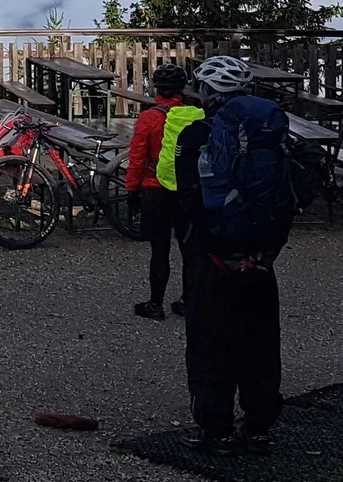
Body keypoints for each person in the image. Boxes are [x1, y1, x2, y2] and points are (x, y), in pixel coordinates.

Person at [172, 55, 296, 456]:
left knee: (210, 341)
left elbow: (188, 200)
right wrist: (267, 250)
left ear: (208, 92)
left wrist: (208, 247)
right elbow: (287, 196)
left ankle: (217, 429)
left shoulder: (195, 134)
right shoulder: (272, 134)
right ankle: (258, 426)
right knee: (259, 341)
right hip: (261, 257)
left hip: (213, 258)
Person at [123, 62, 201, 321]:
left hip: (155, 189)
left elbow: (137, 158)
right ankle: (189, 302)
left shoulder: (149, 118)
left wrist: (131, 190)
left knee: (160, 250)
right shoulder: (193, 115)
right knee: (190, 250)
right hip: (187, 190)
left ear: (156, 88)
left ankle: (155, 304)